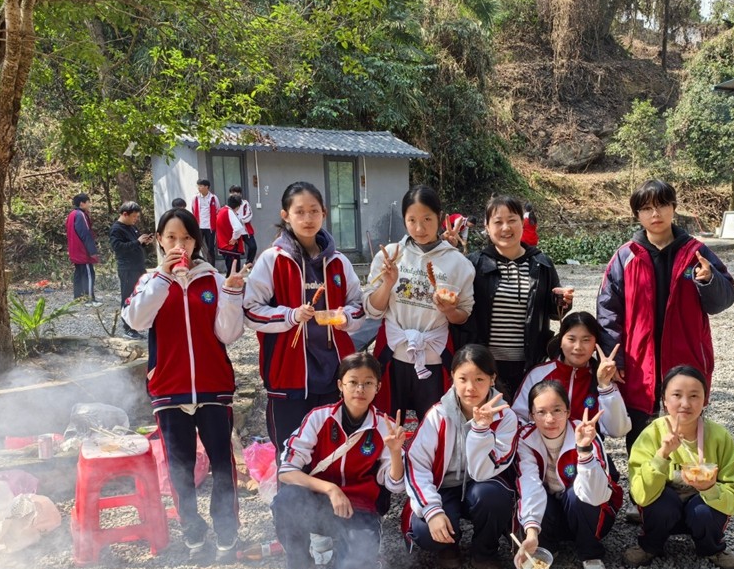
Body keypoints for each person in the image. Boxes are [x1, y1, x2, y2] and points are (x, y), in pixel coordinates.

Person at [122, 208, 247, 560]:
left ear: (197, 241)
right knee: (180, 469)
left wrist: (232, 295)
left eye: (187, 237)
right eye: (172, 237)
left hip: (213, 386)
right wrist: (163, 277)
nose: (180, 244)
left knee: (223, 465)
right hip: (169, 388)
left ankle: (227, 535)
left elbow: (228, 334)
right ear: (160, 240)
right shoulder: (149, 280)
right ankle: (193, 534)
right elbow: (136, 320)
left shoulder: (213, 280)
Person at [597, 179, 734, 451]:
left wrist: (709, 280)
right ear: (637, 214)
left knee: (686, 425)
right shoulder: (626, 256)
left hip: (686, 354)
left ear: (673, 207)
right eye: (646, 208)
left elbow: (723, 300)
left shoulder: (695, 253)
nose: (655, 214)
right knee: (641, 430)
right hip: (639, 360)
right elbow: (608, 310)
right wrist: (616, 358)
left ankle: (688, 477)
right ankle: (643, 477)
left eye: (661, 205)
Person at [243, 182, 365, 455]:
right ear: (286, 215)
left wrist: (344, 317)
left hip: (335, 373)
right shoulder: (272, 260)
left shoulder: (338, 262)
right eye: (299, 212)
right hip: (288, 375)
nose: (308, 218)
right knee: (290, 451)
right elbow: (250, 311)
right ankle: (289, 486)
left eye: (314, 211)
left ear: (324, 213)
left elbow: (358, 305)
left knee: (332, 451)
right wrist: (290, 315)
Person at [272, 352, 406, 569]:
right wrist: (331, 489)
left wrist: (396, 452)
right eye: (353, 382)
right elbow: (287, 471)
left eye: (368, 383)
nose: (360, 389)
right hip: (318, 502)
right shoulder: (319, 417)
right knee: (286, 500)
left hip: (360, 508)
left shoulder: (384, 426)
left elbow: (395, 485)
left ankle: (347, 550)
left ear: (378, 387)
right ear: (340, 385)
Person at [404, 345, 519, 569]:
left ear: (492, 379)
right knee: (425, 532)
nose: (470, 387)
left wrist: (480, 430)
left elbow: (482, 471)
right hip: (444, 486)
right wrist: (432, 511)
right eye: (463, 379)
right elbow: (416, 465)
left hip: (482, 484)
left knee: (493, 497)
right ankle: (450, 542)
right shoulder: (438, 415)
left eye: (479, 379)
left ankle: (485, 553)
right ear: (452, 378)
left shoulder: (505, 417)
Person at [363, 185, 475, 421]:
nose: (419, 228)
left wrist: (450, 311)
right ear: (404, 220)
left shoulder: (458, 263)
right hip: (392, 352)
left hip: (435, 354)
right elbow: (373, 310)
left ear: (440, 218)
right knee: (386, 421)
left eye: (427, 219)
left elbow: (464, 314)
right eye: (411, 220)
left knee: (435, 423)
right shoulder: (391, 256)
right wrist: (387, 283)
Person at [623, 365, 734, 569]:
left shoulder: (718, 436)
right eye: (677, 395)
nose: (685, 403)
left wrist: (710, 488)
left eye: (694, 396)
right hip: (664, 512)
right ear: (664, 400)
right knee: (662, 503)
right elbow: (640, 495)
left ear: (705, 400)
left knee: (703, 510)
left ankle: (712, 548)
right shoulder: (651, 435)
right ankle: (649, 545)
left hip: (701, 511)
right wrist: (662, 455)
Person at [457, 194, 573, 403]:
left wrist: (562, 302)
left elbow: (554, 313)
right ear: (487, 226)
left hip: (529, 364)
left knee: (527, 416)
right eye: (498, 222)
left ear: (522, 222)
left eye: (512, 220)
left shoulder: (541, 263)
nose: (506, 228)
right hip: (484, 365)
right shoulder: (474, 264)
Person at [514, 380, 624, 569]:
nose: (550, 419)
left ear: (568, 411)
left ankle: (591, 554)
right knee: (539, 494)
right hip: (552, 514)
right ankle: (545, 547)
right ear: (531, 415)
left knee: (576, 494)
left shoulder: (584, 433)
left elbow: (597, 495)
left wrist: (584, 451)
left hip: (590, 514)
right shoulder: (525, 438)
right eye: (541, 412)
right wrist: (531, 533)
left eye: (557, 410)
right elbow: (529, 484)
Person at [512, 312, 630, 439]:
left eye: (586, 340)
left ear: (596, 345)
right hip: (542, 447)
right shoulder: (538, 375)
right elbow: (518, 418)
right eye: (571, 339)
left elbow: (617, 431)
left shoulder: (602, 376)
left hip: (586, 447)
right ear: (560, 341)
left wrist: (605, 386)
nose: (578, 347)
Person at [109, 201, 152, 340]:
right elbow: (118, 247)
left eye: (137, 217)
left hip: (138, 267)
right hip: (127, 268)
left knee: (140, 295)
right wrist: (137, 242)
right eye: (134, 216)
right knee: (128, 297)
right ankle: (127, 327)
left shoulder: (132, 227)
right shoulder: (116, 229)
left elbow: (135, 245)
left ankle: (136, 324)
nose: (136, 219)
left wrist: (143, 243)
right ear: (125, 214)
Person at [66, 193, 101, 306]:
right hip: (82, 251)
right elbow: (85, 234)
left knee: (79, 274)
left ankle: (78, 298)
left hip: (74, 250)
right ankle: (89, 299)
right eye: (88, 202)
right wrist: (92, 251)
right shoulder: (80, 215)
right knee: (89, 274)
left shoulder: (71, 214)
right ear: (82, 203)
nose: (89, 204)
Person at [215, 195, 247, 277]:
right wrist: (234, 238)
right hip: (230, 246)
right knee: (233, 269)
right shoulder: (229, 212)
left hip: (223, 244)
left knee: (230, 268)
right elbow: (238, 228)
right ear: (238, 206)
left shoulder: (221, 211)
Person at [191, 179, 219, 264]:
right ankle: (196, 264)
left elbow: (217, 209)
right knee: (196, 246)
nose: (199, 188)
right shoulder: (195, 197)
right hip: (199, 226)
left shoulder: (213, 198)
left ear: (207, 187)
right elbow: (193, 209)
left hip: (210, 226)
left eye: (201, 186)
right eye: (198, 186)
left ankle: (212, 266)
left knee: (210, 247)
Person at [229, 185, 258, 265]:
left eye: (237, 192)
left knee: (253, 247)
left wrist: (240, 220)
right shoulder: (229, 205)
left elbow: (249, 214)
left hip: (245, 230)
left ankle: (248, 264)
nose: (235, 194)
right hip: (234, 230)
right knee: (236, 251)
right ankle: (236, 267)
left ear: (240, 194)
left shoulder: (245, 203)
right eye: (233, 192)